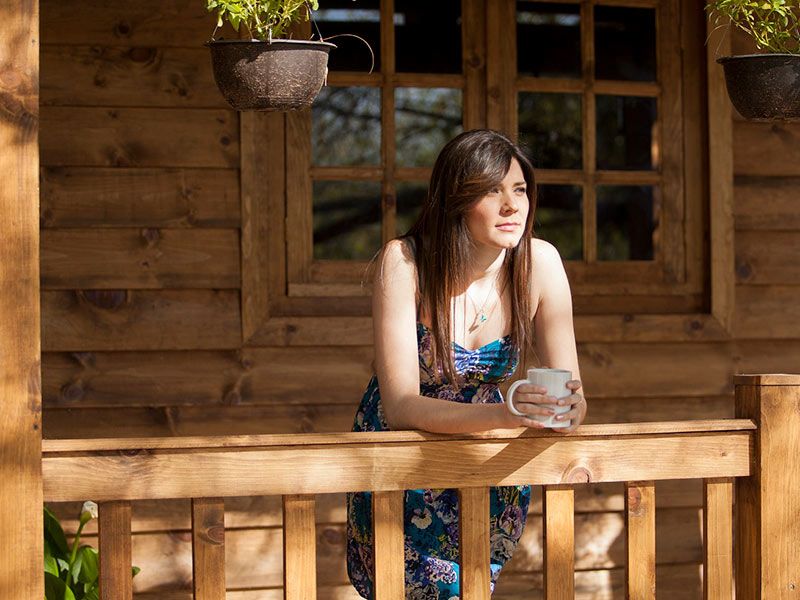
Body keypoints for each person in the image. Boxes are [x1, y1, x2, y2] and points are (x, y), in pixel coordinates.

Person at [345, 128, 587, 599]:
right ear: (457, 200)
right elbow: (400, 405)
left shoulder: (542, 262)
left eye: (519, 190)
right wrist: (505, 414)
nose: (512, 206)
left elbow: (574, 391)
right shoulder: (405, 261)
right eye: (492, 192)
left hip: (487, 467)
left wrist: (568, 411)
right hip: (405, 463)